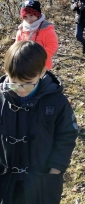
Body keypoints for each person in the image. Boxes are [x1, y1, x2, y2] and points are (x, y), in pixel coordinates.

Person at [0, 40, 78, 204]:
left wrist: (56, 169)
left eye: (28, 84)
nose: (20, 90)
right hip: (6, 179)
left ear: (42, 72)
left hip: (41, 179)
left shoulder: (56, 102)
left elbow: (67, 135)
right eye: (14, 83)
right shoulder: (1, 99)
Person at [16, 0, 59, 70]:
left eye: (31, 15)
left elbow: (53, 46)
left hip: (42, 65)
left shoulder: (47, 29)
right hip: (25, 66)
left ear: (38, 14)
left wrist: (38, 57)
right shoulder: (21, 30)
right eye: (25, 17)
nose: (28, 19)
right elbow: (17, 46)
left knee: (41, 80)